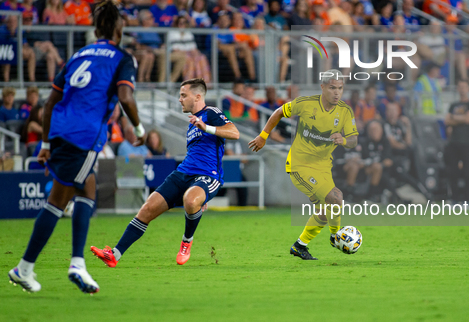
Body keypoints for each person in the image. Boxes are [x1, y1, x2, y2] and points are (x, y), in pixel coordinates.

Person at [8, 0, 145, 294]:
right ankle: (28, 267)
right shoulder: (122, 58)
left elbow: (50, 102)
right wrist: (139, 127)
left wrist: (46, 142)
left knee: (87, 188)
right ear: (118, 29)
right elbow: (125, 96)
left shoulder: (78, 55)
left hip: (59, 129)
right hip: (83, 135)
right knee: (59, 200)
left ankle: (75, 262)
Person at [91, 79, 240, 266]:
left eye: (183, 95)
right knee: (147, 209)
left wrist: (206, 127)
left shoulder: (211, 113)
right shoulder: (192, 123)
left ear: (198, 96)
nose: (180, 99)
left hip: (208, 175)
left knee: (191, 200)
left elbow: (234, 133)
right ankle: (114, 255)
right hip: (183, 173)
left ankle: (187, 241)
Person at [248, 70, 359, 260]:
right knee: (335, 197)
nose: (337, 92)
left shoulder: (345, 111)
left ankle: (301, 246)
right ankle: (335, 236)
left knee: (331, 205)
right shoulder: (306, 104)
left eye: (340, 88)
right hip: (300, 166)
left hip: (323, 166)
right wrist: (263, 135)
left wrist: (344, 140)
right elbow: (279, 112)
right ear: (323, 87)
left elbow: (354, 140)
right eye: (332, 88)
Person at [444, 80, 469, 202]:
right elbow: (447, 121)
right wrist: (461, 119)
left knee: (467, 170)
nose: (462, 89)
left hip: (467, 142)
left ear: (468, 89)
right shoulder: (453, 105)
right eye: (460, 86)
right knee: (453, 171)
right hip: (454, 142)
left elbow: (468, 120)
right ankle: (455, 198)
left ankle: (468, 198)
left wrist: (454, 118)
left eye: (464, 87)